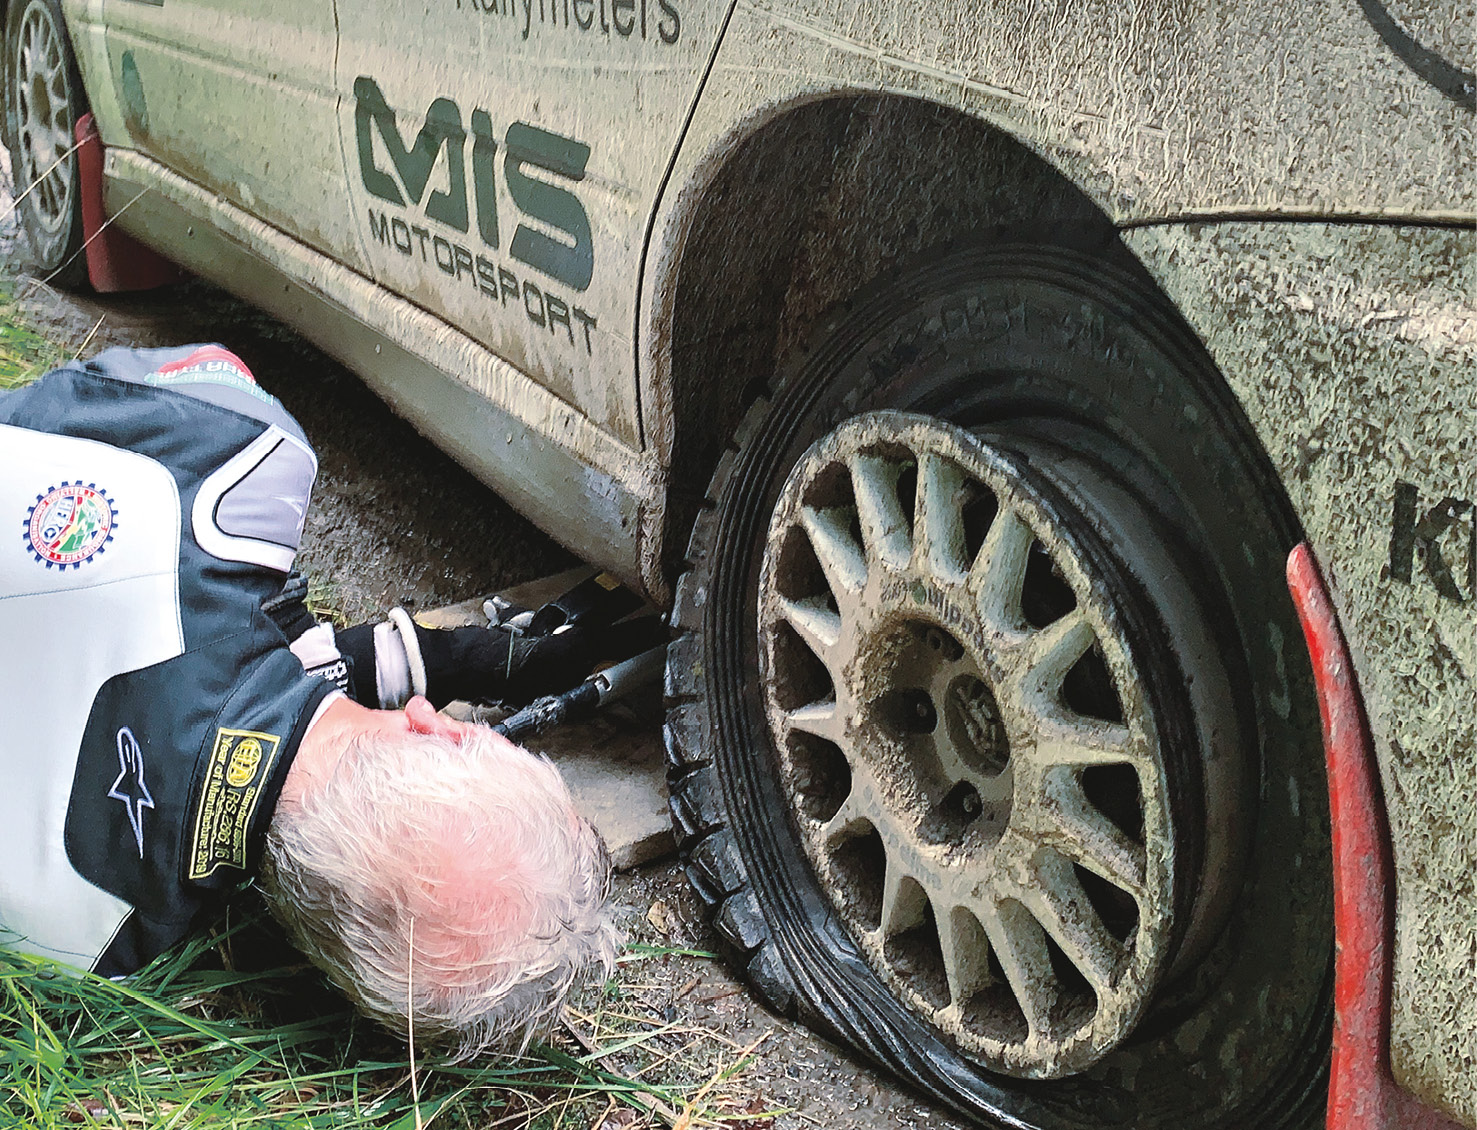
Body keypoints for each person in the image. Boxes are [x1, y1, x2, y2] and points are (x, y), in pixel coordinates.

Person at [0, 343, 627, 1056]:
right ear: (314, 949)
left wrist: (432, 658)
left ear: (436, 730)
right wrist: (432, 659)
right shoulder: (89, 946)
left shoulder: (237, 459)